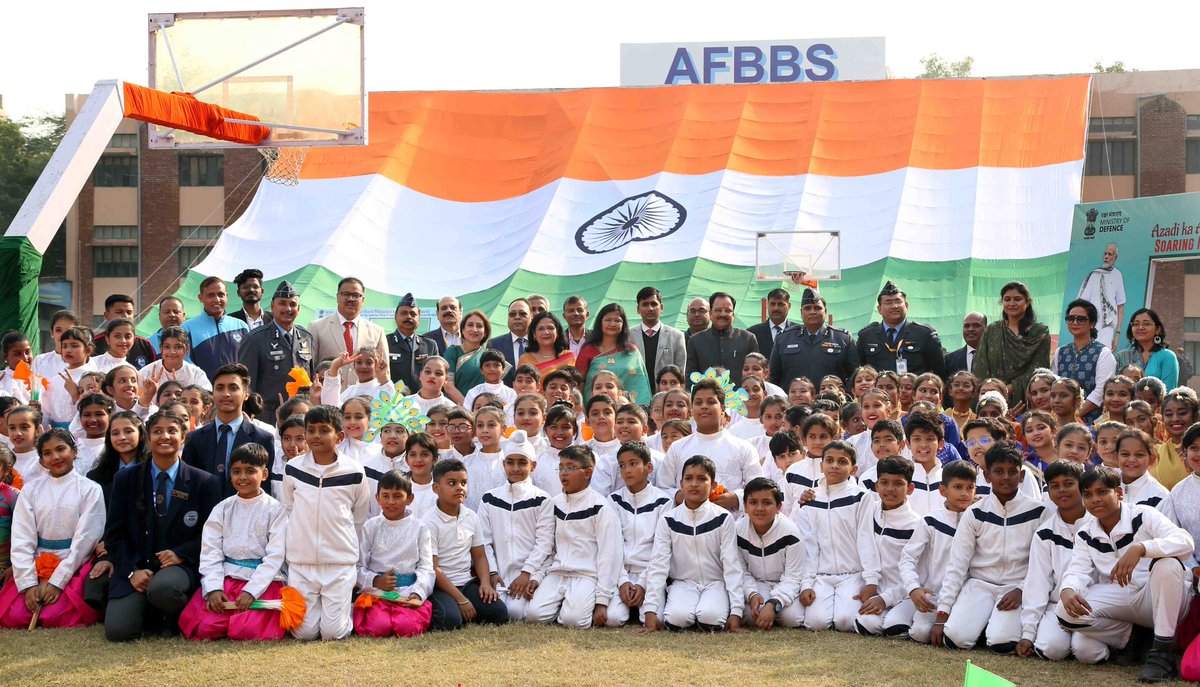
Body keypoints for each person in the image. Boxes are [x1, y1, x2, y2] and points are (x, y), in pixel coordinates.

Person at [1057, 466, 1194, 681]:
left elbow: (1185, 542)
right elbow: (1078, 570)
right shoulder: (1085, 532)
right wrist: (1067, 589)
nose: (1095, 499)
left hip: (1162, 597)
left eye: (1102, 492)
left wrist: (1141, 548)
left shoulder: (1143, 514)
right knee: (1065, 611)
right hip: (1123, 598)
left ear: (1118, 493)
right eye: (1088, 495)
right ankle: (1135, 638)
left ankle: (1162, 653)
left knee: (1168, 565)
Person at [99, 410, 222, 641]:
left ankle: (172, 613)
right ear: (147, 438)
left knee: (164, 589)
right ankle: (152, 611)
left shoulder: (204, 482)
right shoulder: (126, 480)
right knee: (118, 632)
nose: (164, 436)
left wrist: (181, 554)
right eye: (157, 431)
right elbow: (114, 535)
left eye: (172, 431)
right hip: (137, 567)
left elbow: (212, 536)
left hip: (178, 569)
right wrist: (131, 572)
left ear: (184, 437)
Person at [935, 441, 1046, 653]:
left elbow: (1043, 565)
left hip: (1015, 588)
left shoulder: (1038, 512)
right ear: (986, 476)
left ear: (1021, 476)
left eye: (1012, 472)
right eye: (998, 471)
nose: (1005, 477)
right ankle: (980, 623)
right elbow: (957, 564)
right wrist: (943, 613)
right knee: (954, 639)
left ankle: (993, 627)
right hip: (979, 585)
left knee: (1001, 643)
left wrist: (1022, 589)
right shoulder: (975, 512)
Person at [178, 443, 288, 641]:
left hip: (261, 582)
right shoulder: (223, 508)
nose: (242, 477)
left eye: (250, 471)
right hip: (227, 581)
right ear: (230, 474)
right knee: (204, 628)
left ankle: (241, 619)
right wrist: (213, 588)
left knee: (249, 631)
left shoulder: (275, 510)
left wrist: (251, 591)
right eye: (236, 471)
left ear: (264, 474)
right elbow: (211, 552)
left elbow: (275, 556)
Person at [281, 405, 372, 640]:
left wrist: (350, 556)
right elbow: (290, 509)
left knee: (333, 633)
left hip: (339, 563)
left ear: (339, 437)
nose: (316, 436)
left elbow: (359, 517)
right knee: (304, 633)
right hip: (301, 562)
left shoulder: (354, 471)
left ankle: (346, 610)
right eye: (311, 430)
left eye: (324, 430)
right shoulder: (292, 468)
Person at [0, 430, 105, 629]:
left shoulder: (90, 489)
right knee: (15, 617)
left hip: (73, 561)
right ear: (41, 460)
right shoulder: (31, 490)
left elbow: (86, 538)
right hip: (37, 558)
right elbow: (22, 536)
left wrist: (58, 581)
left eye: (60, 449)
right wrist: (29, 583)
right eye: (47, 453)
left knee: (56, 616)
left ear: (74, 451)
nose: (55, 457)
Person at [1017, 460, 1109, 663]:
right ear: (1048, 492)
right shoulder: (1045, 533)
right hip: (1057, 605)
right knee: (1051, 649)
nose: (1062, 491)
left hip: (1094, 605)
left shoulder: (1100, 525)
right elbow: (1037, 583)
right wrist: (1028, 633)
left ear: (1082, 486)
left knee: (1088, 653)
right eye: (1055, 486)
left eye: (1068, 483)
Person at [640, 456, 744, 633]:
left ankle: (711, 608)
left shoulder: (723, 518)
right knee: (677, 619)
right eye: (689, 478)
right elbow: (658, 565)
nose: (694, 484)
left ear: (713, 485)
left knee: (710, 618)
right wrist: (650, 610)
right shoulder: (668, 519)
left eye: (702, 479)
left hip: (716, 584)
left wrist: (736, 611)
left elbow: (732, 565)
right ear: (681, 484)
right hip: (683, 583)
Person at [793, 440, 877, 633]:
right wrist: (807, 583)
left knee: (845, 621)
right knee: (816, 623)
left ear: (853, 468)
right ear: (821, 465)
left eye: (842, 461)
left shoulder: (861, 497)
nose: (835, 466)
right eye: (829, 460)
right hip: (822, 576)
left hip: (852, 575)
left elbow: (866, 539)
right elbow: (809, 546)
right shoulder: (811, 499)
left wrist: (871, 580)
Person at [423, 458, 508, 631]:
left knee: (499, 613)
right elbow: (434, 569)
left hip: (466, 583)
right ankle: (453, 608)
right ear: (436, 488)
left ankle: (465, 608)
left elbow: (479, 556)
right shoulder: (428, 522)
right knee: (450, 620)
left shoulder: (471, 516)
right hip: (439, 586)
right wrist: (461, 600)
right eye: (452, 483)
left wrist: (484, 583)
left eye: (463, 483)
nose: (459, 488)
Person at [478, 431, 554, 621]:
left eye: (522, 462)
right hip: (499, 574)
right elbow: (484, 541)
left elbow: (544, 542)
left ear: (533, 466)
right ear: (504, 464)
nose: (515, 468)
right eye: (510, 462)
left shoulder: (542, 499)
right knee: (497, 610)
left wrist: (526, 573)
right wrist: (492, 573)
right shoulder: (490, 498)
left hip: (529, 571)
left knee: (516, 612)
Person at [900, 459, 977, 644]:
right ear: (943, 491)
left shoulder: (980, 520)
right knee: (920, 633)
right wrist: (913, 588)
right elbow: (907, 558)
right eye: (958, 487)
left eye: (970, 487)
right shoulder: (931, 521)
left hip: (968, 596)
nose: (965, 493)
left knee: (957, 637)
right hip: (934, 596)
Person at [352, 470, 435, 638]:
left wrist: (417, 592)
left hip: (408, 592)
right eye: (386, 495)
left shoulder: (419, 528)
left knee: (406, 627)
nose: (391, 502)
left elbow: (427, 568)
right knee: (379, 627)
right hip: (377, 592)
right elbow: (358, 565)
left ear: (410, 499)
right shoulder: (371, 526)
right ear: (377, 498)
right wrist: (376, 580)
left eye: (397, 496)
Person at [657, 379, 761, 507]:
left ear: (722, 409)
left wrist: (736, 498)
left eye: (711, 402)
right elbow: (662, 487)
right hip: (686, 522)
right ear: (692, 410)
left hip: (731, 522)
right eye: (698, 402)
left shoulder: (743, 448)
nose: (704, 406)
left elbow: (758, 487)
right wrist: (681, 496)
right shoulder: (678, 448)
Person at [181, 363, 277, 498]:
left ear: (245, 394)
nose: (226, 394)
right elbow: (187, 483)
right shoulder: (195, 438)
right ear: (213, 393)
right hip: (204, 515)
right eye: (219, 388)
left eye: (233, 388)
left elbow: (265, 487)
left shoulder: (262, 439)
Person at [606, 440, 672, 627]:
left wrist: (643, 583)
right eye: (622, 465)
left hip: (650, 574)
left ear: (648, 467)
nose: (627, 470)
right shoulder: (614, 500)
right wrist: (622, 582)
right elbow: (612, 545)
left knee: (654, 619)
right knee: (613, 619)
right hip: (622, 573)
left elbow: (661, 549)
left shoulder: (663, 501)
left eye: (633, 464)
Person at [858, 455, 922, 637]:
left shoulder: (916, 525)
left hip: (904, 594)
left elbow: (918, 573)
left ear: (910, 488)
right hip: (873, 589)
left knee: (895, 627)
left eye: (898, 484)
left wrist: (886, 599)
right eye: (884, 483)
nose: (890, 489)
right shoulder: (869, 510)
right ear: (877, 486)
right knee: (864, 624)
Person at [237, 281, 316, 423]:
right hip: (268, 417)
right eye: (282, 303)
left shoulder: (306, 337)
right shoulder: (255, 339)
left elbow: (311, 377)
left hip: (302, 416)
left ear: (299, 308)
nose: (288, 308)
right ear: (273, 306)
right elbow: (246, 384)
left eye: (292, 304)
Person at [737, 476, 806, 630]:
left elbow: (793, 577)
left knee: (792, 618)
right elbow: (739, 571)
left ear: (779, 507)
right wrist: (752, 594)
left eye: (767, 503)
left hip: (784, 585)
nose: (760, 508)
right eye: (753, 502)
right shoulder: (737, 531)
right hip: (757, 584)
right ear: (745, 506)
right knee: (748, 614)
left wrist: (774, 603)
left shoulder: (791, 532)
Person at [972, 281, 1050, 406]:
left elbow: (1038, 369)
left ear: (1028, 301)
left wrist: (1008, 389)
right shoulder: (992, 330)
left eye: (1017, 299)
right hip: (991, 400)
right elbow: (980, 365)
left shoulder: (1040, 332)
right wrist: (991, 391)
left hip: (1026, 400)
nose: (1012, 303)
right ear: (1001, 302)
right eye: (1007, 299)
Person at [769, 288, 858, 391]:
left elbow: (854, 377)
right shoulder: (783, 339)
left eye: (817, 308)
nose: (812, 312)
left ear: (825, 311)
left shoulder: (843, 339)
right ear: (801, 313)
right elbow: (773, 378)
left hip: (831, 403)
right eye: (807, 308)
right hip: (794, 403)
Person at [307, 277, 387, 388]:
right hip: (328, 398)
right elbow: (310, 369)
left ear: (363, 300)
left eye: (356, 295)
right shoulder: (316, 327)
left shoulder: (377, 331)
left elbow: (384, 372)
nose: (350, 299)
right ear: (337, 297)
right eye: (345, 294)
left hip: (365, 400)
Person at [855, 281, 945, 378]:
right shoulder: (867, 336)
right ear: (879, 309)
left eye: (898, 301)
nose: (894, 306)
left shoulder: (924, 334)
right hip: (878, 391)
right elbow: (856, 371)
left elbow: (941, 372)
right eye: (888, 302)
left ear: (906, 306)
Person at [1052, 298, 1117, 419]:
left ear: (1092, 323)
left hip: (1092, 420)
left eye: (1081, 319)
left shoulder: (1103, 353)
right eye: (1071, 319)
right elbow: (1054, 386)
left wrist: (1073, 416)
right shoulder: (1060, 352)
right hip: (1061, 419)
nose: (1075, 323)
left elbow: (1101, 391)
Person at [575, 303, 651, 405]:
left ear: (623, 324)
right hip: (596, 410)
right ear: (600, 323)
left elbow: (641, 384)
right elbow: (578, 383)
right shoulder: (588, 350)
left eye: (617, 321)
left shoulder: (631, 351)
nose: (612, 324)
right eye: (608, 320)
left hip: (629, 412)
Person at [178, 278, 249, 380]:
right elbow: (185, 362)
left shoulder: (241, 326)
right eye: (211, 295)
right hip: (202, 392)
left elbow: (249, 360)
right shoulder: (187, 328)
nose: (217, 299)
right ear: (200, 298)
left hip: (235, 390)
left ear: (227, 297)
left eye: (221, 295)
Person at [685, 292, 757, 387]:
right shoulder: (696, 341)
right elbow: (691, 377)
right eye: (718, 310)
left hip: (741, 398)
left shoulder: (748, 339)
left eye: (728, 311)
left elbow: (755, 375)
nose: (723, 314)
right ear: (710, 313)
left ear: (733, 314)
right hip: (707, 399)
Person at [386, 293, 439, 396]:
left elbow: (437, 373)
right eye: (404, 313)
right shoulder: (384, 342)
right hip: (391, 401)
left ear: (419, 319)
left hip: (422, 400)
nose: (408, 317)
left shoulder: (430, 345)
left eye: (413, 314)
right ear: (395, 317)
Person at [630, 287, 687, 381]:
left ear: (661, 308)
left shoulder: (677, 336)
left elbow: (680, 373)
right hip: (636, 393)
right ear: (638, 309)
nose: (650, 308)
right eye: (645, 304)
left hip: (667, 393)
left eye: (654, 304)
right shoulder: (628, 336)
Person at [1077, 242, 1126, 350]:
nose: (1106, 257)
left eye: (1110, 254)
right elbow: (1082, 303)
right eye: (1105, 254)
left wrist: (1117, 334)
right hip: (1091, 325)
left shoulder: (1118, 275)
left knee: (1103, 355)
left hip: (1108, 326)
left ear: (1115, 257)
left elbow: (1120, 306)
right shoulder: (1095, 275)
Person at [1115, 308, 1179, 390]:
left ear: (1157, 330)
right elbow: (1115, 387)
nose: (1140, 327)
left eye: (1146, 324)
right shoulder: (1122, 356)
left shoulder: (1167, 356)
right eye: (1136, 324)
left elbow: (1169, 392)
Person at [444, 310, 493, 405]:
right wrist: (468, 408)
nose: (474, 329)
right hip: (455, 410)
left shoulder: (490, 356)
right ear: (462, 330)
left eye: (479, 326)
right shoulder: (453, 352)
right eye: (470, 325)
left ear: (485, 332)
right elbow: (448, 386)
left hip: (483, 412)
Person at [92, 295, 158, 365]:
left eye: (129, 312)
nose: (125, 316)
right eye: (119, 312)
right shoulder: (94, 344)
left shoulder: (145, 345)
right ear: (107, 315)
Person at [139, 328, 210, 392]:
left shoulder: (196, 374)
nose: (172, 352)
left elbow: (206, 399)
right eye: (167, 347)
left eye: (178, 347)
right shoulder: (146, 373)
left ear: (187, 349)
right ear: (161, 348)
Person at [519, 312, 576, 376]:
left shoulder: (568, 356)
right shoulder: (526, 360)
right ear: (534, 334)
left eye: (550, 328)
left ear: (557, 332)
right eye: (541, 329)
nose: (546, 332)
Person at [491, 298, 533, 386]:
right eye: (512, 314)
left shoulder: (541, 343)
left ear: (531, 316)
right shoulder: (493, 345)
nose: (517, 317)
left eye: (522, 314)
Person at [747, 288, 797, 361]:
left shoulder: (798, 332)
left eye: (780, 304)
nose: (776, 308)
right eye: (772, 304)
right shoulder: (752, 333)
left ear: (789, 306)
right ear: (767, 305)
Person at [945, 312, 987, 379]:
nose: (970, 329)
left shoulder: (996, 356)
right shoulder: (949, 360)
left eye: (976, 325)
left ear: (986, 328)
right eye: (966, 326)